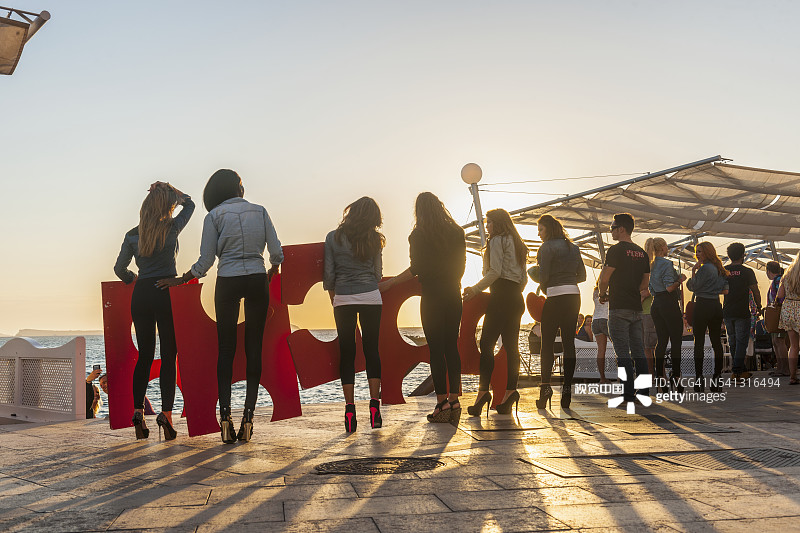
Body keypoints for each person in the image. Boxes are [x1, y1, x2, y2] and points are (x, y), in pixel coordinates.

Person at [158, 169, 283, 444]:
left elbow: (205, 261)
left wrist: (182, 279)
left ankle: (225, 418)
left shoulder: (213, 216)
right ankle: (248, 419)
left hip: (227, 281)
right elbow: (276, 251)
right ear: (238, 189)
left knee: (226, 350)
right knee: (254, 348)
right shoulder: (260, 211)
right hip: (256, 279)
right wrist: (273, 267)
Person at [114, 181, 195, 440]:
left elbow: (119, 269)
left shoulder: (132, 235)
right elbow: (190, 204)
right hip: (164, 291)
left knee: (145, 356)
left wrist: (134, 279)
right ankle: (166, 415)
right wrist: (173, 191)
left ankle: (138, 412)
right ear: (166, 206)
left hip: (141, 294)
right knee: (169, 355)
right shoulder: (172, 227)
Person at [379, 192, 466, 424]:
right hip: (453, 295)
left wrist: (390, 283)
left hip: (432, 297)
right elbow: (461, 269)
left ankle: (441, 403)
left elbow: (415, 268)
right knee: (452, 348)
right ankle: (455, 400)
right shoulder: (457, 232)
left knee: (436, 350)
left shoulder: (418, 235)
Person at [323, 197, 385, 433]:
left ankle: (349, 410)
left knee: (347, 353)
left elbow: (329, 275)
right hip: (371, 297)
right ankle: (374, 407)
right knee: (372, 350)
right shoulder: (375, 239)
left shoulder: (333, 237)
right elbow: (377, 274)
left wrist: (335, 297)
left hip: (343, 298)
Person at [463, 208, 527, 416]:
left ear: (498, 223)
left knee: (486, 344)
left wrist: (475, 289)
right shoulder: (518, 243)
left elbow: (495, 272)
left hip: (501, 297)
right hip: (516, 298)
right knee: (511, 347)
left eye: (489, 222)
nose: (487, 226)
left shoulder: (497, 240)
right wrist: (513, 291)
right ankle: (510, 392)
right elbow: (524, 279)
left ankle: (483, 393)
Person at [534, 214, 586, 409]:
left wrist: (544, 284)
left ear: (548, 229)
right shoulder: (574, 248)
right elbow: (582, 275)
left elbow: (543, 277)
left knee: (547, 344)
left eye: (540, 229)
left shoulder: (546, 247)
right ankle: (567, 390)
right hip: (573, 295)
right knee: (568, 343)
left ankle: (545, 389)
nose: (539, 234)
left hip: (555, 296)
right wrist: (567, 279)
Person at [598, 213, 650, 403]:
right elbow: (645, 284)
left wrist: (602, 294)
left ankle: (628, 393)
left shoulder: (615, 250)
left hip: (619, 307)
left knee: (622, 353)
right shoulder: (642, 253)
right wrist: (633, 291)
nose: (611, 231)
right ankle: (643, 392)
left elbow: (604, 278)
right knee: (638, 351)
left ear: (621, 229)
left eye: (612, 227)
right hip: (636, 307)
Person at [686, 242, 729, 392]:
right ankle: (717, 379)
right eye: (696, 251)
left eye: (700, 251)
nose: (697, 254)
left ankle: (699, 380)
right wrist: (712, 289)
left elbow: (692, 286)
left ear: (707, 253)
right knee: (716, 342)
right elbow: (725, 290)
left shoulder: (704, 269)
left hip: (702, 305)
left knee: (698, 342)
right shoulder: (720, 269)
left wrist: (693, 270)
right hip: (716, 306)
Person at [646, 237, 687, 393]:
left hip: (656, 304)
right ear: (662, 247)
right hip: (669, 303)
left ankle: (660, 379)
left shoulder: (650, 265)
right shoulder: (666, 264)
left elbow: (651, 290)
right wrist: (680, 280)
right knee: (676, 342)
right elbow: (669, 287)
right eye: (666, 246)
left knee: (661, 341)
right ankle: (676, 377)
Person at [723, 242, 761, 379]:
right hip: (742, 312)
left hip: (727, 311)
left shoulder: (724, 270)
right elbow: (755, 290)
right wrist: (759, 305)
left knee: (733, 341)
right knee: (741, 342)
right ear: (742, 255)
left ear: (729, 255)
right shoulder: (747, 272)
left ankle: (741, 370)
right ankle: (737, 370)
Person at [777, 252, 800, 385]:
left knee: (793, 346)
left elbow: (780, 295)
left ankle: (792, 377)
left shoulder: (787, 274)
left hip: (788, 309)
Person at [766, 261, 789, 377]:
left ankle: (785, 368)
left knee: (779, 341)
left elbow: (781, 297)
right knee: (776, 341)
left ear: (768, 271)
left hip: (779, 314)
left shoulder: (778, 280)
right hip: (778, 315)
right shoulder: (778, 280)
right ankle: (780, 367)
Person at [592, 285, 611, 383]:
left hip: (595, 320)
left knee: (601, 351)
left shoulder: (595, 292)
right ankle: (620, 378)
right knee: (618, 349)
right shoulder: (610, 290)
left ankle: (602, 378)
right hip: (607, 319)